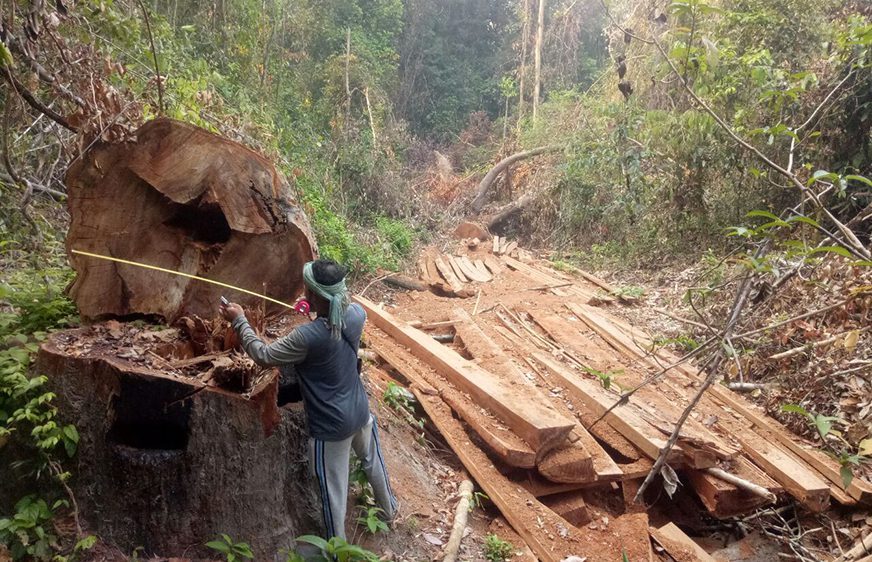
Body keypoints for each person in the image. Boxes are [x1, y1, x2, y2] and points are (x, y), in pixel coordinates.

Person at [219, 259, 397, 541]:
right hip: (361, 412)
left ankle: (336, 550)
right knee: (373, 462)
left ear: (314, 295)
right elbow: (333, 327)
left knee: (332, 493)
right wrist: (317, 312)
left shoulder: (307, 336)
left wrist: (240, 320)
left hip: (331, 429)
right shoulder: (357, 316)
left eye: (307, 288)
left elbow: (263, 355)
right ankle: (390, 512)